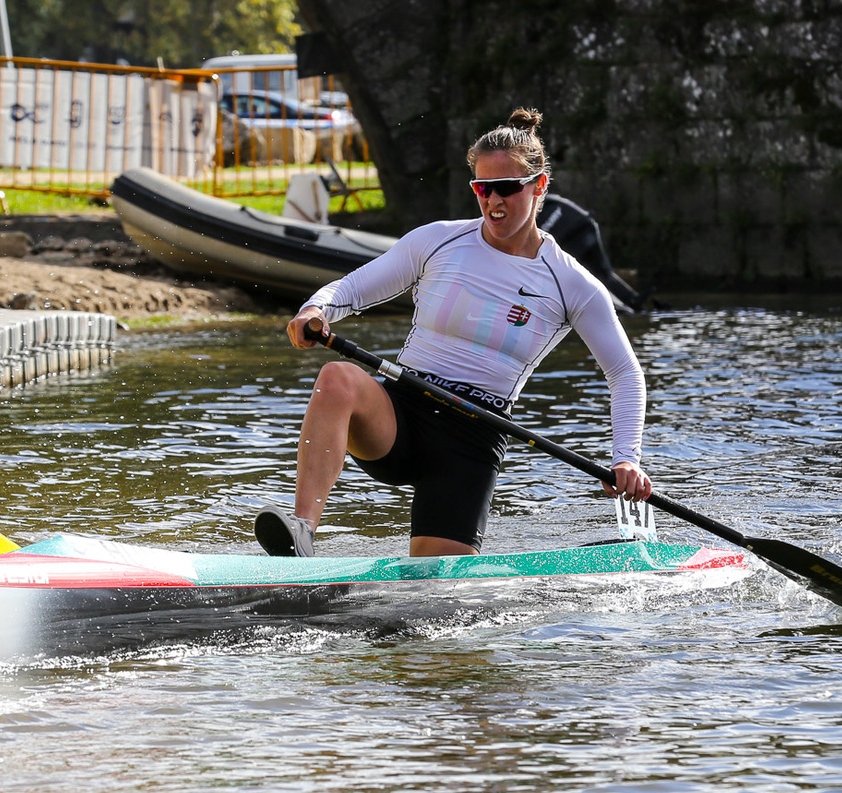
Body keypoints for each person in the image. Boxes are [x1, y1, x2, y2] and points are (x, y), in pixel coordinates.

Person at [255, 107, 651, 558]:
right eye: (482, 189)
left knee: (436, 588)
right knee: (338, 378)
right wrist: (316, 309)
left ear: (539, 186)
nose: (493, 201)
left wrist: (625, 458)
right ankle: (301, 533)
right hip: (402, 413)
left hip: (473, 437)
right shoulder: (438, 241)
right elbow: (350, 289)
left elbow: (624, 372)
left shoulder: (571, 283)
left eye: (507, 188)